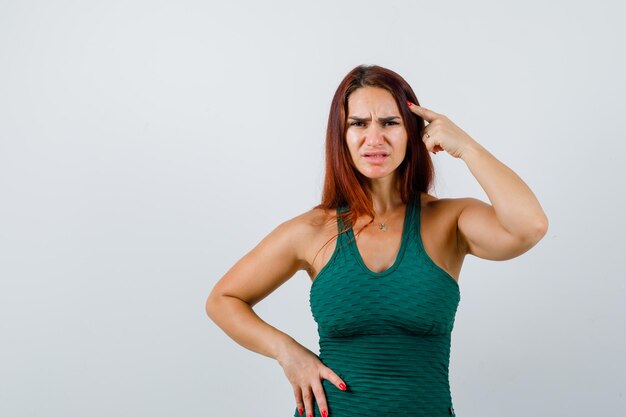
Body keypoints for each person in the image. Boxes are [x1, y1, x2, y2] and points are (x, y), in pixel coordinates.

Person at [205, 64, 548, 417]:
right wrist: (287, 352)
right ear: (341, 135)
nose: (374, 138)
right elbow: (223, 299)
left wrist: (468, 148)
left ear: (413, 132)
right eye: (358, 123)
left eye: (389, 122)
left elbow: (529, 226)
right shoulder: (312, 230)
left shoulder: (450, 221)